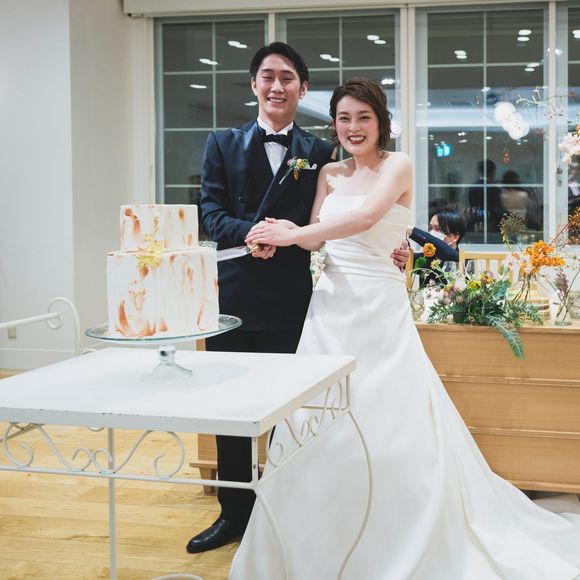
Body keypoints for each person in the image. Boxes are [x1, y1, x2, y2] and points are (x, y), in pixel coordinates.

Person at [230, 78, 580, 579]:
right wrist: (282, 234)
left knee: (387, 418)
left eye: (363, 118)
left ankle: (396, 533)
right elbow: (318, 242)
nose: (353, 127)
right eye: (344, 118)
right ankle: (314, 536)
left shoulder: (399, 165)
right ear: (334, 123)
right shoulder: (328, 173)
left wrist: (294, 233)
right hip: (328, 307)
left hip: (378, 307)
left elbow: (366, 218)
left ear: (381, 123)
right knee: (316, 420)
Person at [187, 44, 410, 554]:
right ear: (254, 84)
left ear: (302, 88)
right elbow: (209, 214)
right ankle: (233, 512)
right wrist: (255, 234)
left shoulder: (322, 154)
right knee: (230, 408)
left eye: (287, 77)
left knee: (296, 411)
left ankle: (285, 507)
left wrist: (402, 246)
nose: (277, 86)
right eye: (267, 76)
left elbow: (347, 217)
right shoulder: (222, 143)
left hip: (297, 301)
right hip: (232, 296)